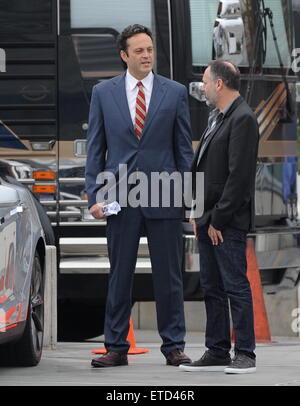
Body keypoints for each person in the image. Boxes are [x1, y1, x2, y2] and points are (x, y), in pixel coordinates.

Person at [85, 24, 194, 368]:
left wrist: (189, 199)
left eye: (149, 50)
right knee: (120, 274)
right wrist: (93, 196)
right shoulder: (103, 93)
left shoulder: (174, 93)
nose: (147, 56)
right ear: (124, 56)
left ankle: (174, 346)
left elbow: (183, 152)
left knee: (169, 276)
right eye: (139, 51)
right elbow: (95, 150)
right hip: (119, 197)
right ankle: (116, 347)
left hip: (164, 194)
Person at [180, 60, 259, 374]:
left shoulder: (243, 119)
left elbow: (238, 178)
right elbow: (205, 170)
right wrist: (198, 213)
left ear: (220, 84)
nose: (202, 87)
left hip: (226, 222)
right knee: (211, 286)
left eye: (205, 81)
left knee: (235, 286)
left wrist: (218, 220)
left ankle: (246, 354)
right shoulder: (217, 117)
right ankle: (216, 350)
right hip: (208, 218)